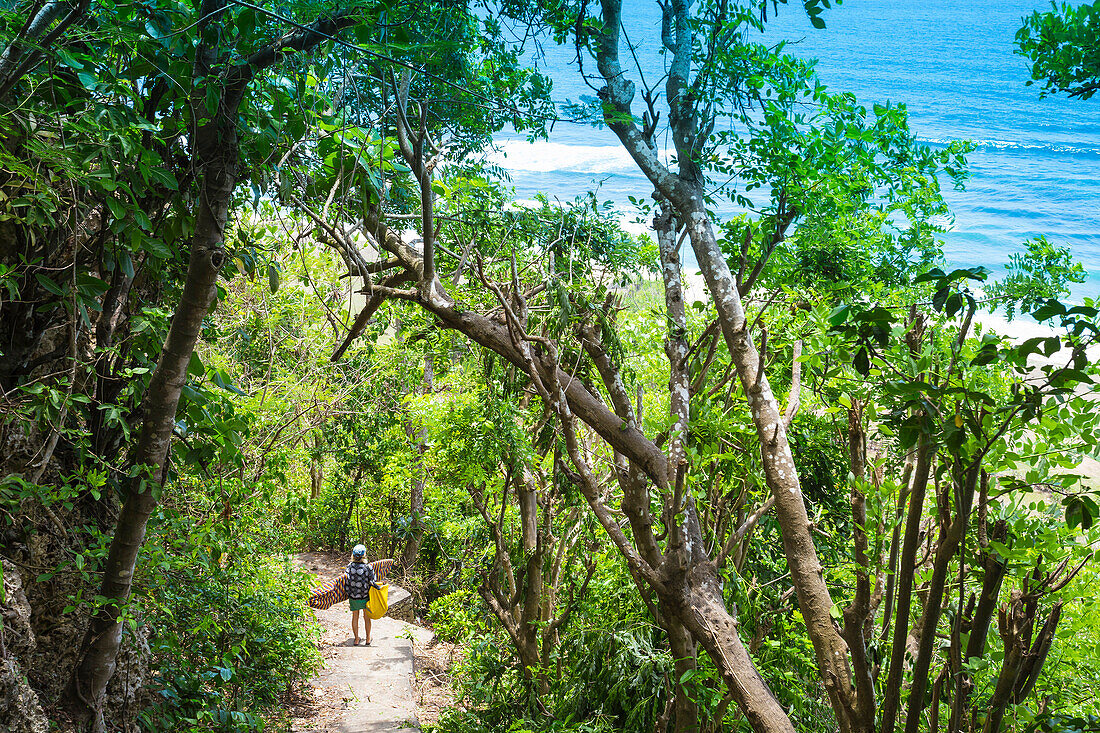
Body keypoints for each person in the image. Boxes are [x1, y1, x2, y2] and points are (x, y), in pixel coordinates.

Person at [345, 544, 378, 646]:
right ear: (364, 555)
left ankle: (356, 639)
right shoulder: (368, 567)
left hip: (353, 596)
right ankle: (368, 638)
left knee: (355, 617)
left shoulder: (349, 567)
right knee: (366, 617)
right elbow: (373, 581)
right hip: (365, 596)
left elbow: (346, 580)